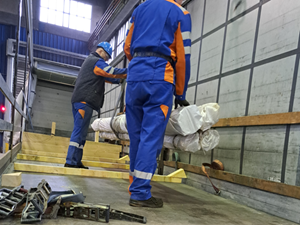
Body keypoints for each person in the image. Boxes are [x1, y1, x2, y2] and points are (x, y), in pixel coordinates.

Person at [124, 0, 191, 208]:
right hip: (160, 76)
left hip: (134, 75)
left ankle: (134, 184)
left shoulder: (139, 10)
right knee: (150, 137)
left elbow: (127, 47)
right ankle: (140, 193)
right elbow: (183, 57)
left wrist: (138, 62)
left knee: (135, 136)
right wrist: (180, 92)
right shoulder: (181, 12)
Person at [65, 42, 127, 169]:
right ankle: (71, 161)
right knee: (79, 131)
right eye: (107, 57)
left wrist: (119, 79)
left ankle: (76, 160)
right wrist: (128, 72)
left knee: (81, 132)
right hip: (84, 102)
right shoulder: (95, 61)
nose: (107, 60)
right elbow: (110, 71)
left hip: (81, 101)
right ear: (101, 52)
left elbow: (107, 76)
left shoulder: (91, 62)